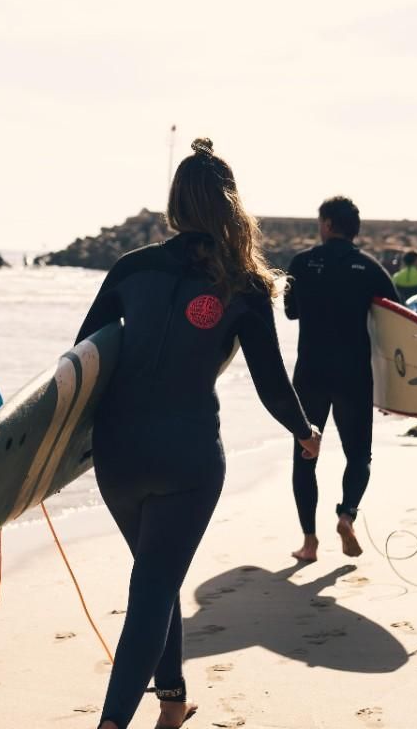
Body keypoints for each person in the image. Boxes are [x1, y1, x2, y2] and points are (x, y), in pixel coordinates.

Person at [77, 138, 320, 729]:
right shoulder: (245, 284)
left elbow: (81, 363)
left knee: (158, 575)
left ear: (176, 203)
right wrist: (304, 430)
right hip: (187, 459)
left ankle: (174, 701)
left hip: (119, 458)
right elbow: (270, 382)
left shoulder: (129, 269)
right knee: (155, 585)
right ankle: (112, 722)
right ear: (230, 206)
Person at [284, 196, 398, 563]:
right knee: (359, 455)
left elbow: (289, 312)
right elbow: (397, 320)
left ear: (328, 224)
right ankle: (347, 515)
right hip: (353, 375)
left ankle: (309, 543)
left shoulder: (301, 263)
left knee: (305, 457)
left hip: (311, 374)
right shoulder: (369, 267)